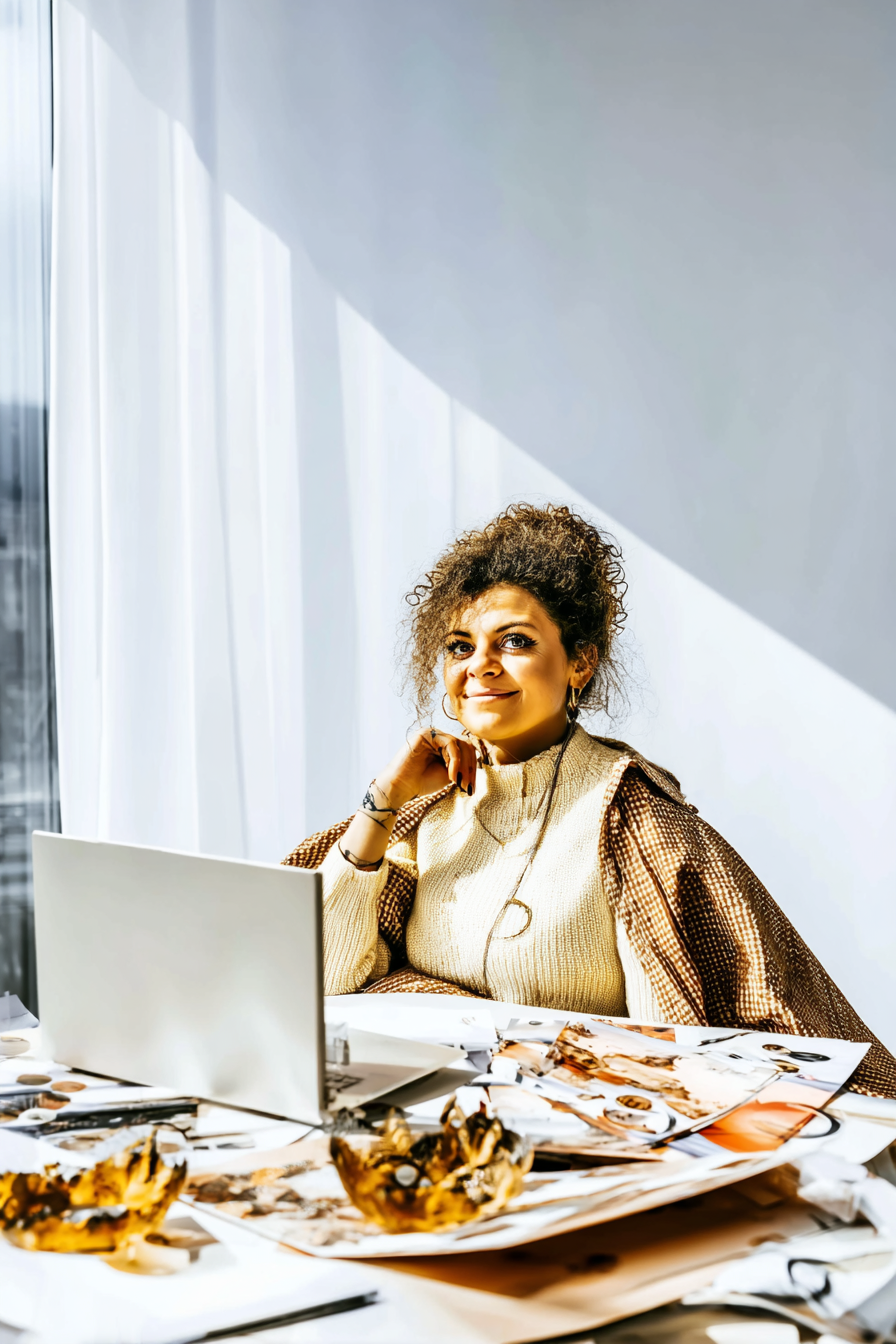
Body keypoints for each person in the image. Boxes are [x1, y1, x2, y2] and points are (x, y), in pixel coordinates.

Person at [284, 504, 893, 1097]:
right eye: (460, 646)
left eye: (514, 641)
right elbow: (324, 983)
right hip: (428, 1115)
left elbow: (673, 1037)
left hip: (578, 1131)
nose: (481, 667)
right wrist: (382, 803)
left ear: (580, 663)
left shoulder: (628, 813)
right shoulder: (426, 811)